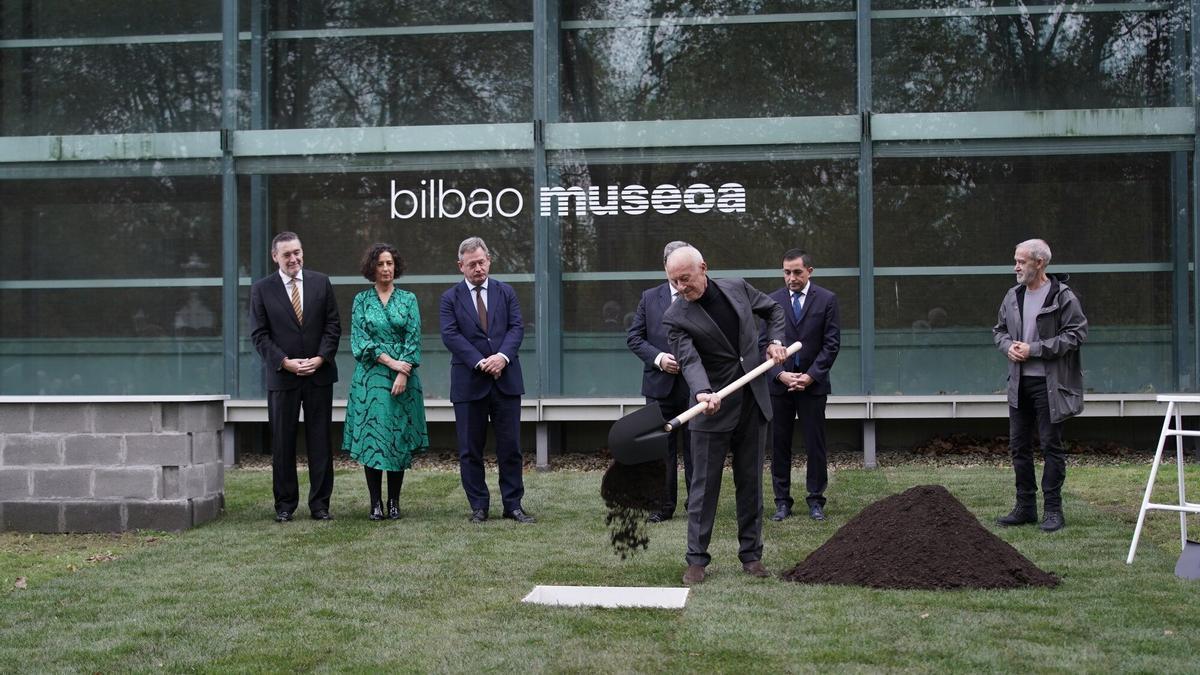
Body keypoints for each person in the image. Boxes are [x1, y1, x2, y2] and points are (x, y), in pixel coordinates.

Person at [662, 245, 787, 584]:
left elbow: (774, 310)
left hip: (752, 401)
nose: (681, 288)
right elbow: (688, 360)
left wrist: (775, 341)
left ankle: (751, 555)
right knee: (703, 486)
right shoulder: (675, 317)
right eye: (674, 282)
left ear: (703, 267)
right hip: (710, 407)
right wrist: (702, 390)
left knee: (750, 483)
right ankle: (697, 560)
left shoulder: (737, 288)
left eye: (685, 279)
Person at [993, 238, 1088, 532]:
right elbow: (999, 331)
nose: (1016, 267)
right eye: (1016, 260)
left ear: (1040, 263)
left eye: (1021, 261)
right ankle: (1025, 508)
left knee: (1051, 447)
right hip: (1019, 384)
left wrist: (1034, 349)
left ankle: (1053, 510)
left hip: (1050, 386)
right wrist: (1007, 346)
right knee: (1018, 447)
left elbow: (1076, 334)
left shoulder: (1063, 297)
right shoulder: (1012, 295)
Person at [439, 236, 534, 524]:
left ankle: (513, 505)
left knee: (511, 447)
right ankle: (479, 506)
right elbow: (450, 335)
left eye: (481, 262)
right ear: (461, 267)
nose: (478, 268)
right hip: (469, 382)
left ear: (489, 261)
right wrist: (481, 361)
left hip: (505, 380)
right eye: (471, 264)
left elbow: (516, 328)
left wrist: (501, 357)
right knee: (470, 449)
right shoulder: (450, 298)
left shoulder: (506, 292)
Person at [249, 231, 341, 522]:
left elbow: (333, 326)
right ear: (275, 256)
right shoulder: (262, 289)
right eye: (287, 254)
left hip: (318, 375)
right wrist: (285, 363)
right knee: (282, 443)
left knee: (320, 442)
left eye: (297, 252)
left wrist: (320, 358)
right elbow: (259, 335)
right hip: (283, 377)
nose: (294, 259)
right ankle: (285, 505)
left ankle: (320, 505)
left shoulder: (320, 282)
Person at [343, 243, 429, 521]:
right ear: (372, 267)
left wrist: (403, 372)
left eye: (390, 263)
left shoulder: (408, 299)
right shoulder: (361, 301)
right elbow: (360, 341)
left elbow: (414, 339)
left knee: (397, 438)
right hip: (371, 378)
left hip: (403, 379)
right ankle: (375, 503)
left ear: (396, 266)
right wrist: (391, 363)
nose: (385, 269)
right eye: (380, 264)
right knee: (372, 439)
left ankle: (394, 502)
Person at [766, 249, 840, 522]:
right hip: (780, 385)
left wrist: (811, 375)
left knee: (815, 444)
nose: (791, 278)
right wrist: (780, 374)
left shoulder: (827, 300)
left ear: (810, 270)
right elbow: (764, 344)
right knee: (779, 444)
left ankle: (815, 500)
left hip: (812, 385)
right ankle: (782, 502)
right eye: (787, 272)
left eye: (797, 272)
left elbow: (831, 344)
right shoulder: (771, 302)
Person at [626, 240, 694, 523]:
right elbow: (634, 338)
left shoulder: (698, 294)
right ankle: (663, 507)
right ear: (666, 266)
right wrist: (659, 359)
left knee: (696, 448)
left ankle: (697, 505)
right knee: (660, 449)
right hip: (659, 387)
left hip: (694, 385)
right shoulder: (649, 297)